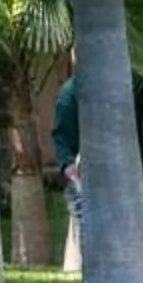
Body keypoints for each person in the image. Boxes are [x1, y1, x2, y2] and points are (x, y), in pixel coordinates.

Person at [53, 61, 81, 262]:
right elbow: (60, 134)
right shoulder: (69, 93)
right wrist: (68, 163)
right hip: (81, 167)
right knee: (85, 222)